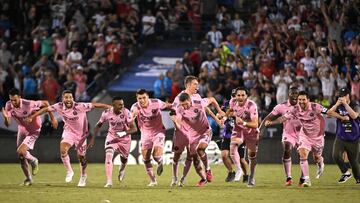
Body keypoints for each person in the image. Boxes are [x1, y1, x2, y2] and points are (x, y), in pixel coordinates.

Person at [26, 90, 111, 187]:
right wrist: (33, 116)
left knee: (81, 158)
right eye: (66, 97)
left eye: (70, 97)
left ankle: (83, 176)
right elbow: (46, 109)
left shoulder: (80, 106)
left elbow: (95, 105)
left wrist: (108, 107)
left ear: (73, 98)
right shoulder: (59, 106)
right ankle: (69, 171)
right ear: (62, 99)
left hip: (81, 135)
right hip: (69, 132)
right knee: (63, 150)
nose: (68, 99)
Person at [265, 91, 347, 187]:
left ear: (308, 100)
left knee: (316, 158)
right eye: (300, 99)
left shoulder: (315, 107)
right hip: (305, 135)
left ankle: (320, 162)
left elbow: (329, 112)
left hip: (318, 137)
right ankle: (307, 179)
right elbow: (283, 118)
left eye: (303, 99)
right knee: (302, 153)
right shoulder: (295, 110)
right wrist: (271, 122)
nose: (301, 101)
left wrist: (342, 117)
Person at [170, 75, 224, 187]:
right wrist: (177, 123)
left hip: (204, 130)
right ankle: (202, 178)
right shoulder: (178, 100)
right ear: (188, 85)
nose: (197, 86)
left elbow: (208, 105)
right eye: (195, 84)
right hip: (189, 133)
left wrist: (218, 116)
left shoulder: (197, 98)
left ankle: (208, 170)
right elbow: (175, 115)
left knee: (200, 150)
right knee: (193, 157)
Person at [2, 88, 57, 186]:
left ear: (20, 97)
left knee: (21, 151)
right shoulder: (8, 105)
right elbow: (8, 124)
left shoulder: (28, 104)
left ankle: (33, 160)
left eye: (15, 100)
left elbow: (46, 103)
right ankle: (28, 179)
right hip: (22, 129)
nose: (13, 102)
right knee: (21, 156)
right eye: (11, 100)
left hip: (34, 130)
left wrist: (52, 118)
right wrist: (6, 118)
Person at [89, 97, 137, 188]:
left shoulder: (126, 112)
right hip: (112, 137)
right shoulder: (106, 113)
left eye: (123, 104)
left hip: (125, 139)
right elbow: (98, 125)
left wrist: (123, 132)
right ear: (114, 105)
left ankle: (122, 170)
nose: (122, 106)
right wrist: (92, 138)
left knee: (124, 159)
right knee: (109, 155)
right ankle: (109, 182)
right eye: (119, 105)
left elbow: (134, 128)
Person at [260, 86, 301, 186]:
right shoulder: (281, 106)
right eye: (293, 93)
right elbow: (268, 118)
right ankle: (289, 178)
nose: (295, 96)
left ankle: (304, 178)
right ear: (289, 94)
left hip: (302, 134)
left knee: (303, 154)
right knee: (287, 148)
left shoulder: (303, 105)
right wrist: (260, 130)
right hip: (288, 133)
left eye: (296, 93)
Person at [130, 89, 170, 187]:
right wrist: (131, 118)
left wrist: (178, 108)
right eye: (139, 98)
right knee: (146, 158)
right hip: (145, 133)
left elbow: (168, 105)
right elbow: (132, 114)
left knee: (156, 155)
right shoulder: (135, 107)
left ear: (148, 97)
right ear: (137, 99)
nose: (142, 100)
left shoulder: (156, 103)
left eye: (144, 97)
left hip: (158, 132)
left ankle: (160, 161)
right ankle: (153, 181)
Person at [226, 87, 260, 187]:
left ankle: (251, 177)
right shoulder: (232, 102)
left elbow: (255, 124)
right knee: (233, 145)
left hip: (251, 131)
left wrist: (243, 122)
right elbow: (231, 111)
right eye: (238, 95)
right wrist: (225, 116)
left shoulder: (251, 105)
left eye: (243, 95)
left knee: (251, 156)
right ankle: (239, 170)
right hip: (239, 129)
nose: (240, 97)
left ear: (246, 96)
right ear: (235, 96)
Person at [328, 87, 360, 184]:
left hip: (353, 138)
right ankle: (345, 172)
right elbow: (329, 113)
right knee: (335, 155)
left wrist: (345, 104)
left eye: (343, 96)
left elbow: (354, 115)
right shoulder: (338, 105)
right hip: (341, 137)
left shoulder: (355, 105)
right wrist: (337, 106)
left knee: (353, 161)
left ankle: (358, 178)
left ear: (348, 96)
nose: (341, 98)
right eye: (340, 96)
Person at [218, 89, 249, 183]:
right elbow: (221, 112)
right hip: (227, 134)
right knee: (224, 155)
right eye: (233, 95)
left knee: (242, 159)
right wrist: (222, 116)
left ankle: (246, 175)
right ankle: (231, 172)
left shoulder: (245, 105)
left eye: (236, 95)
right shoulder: (228, 103)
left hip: (240, 134)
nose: (234, 97)